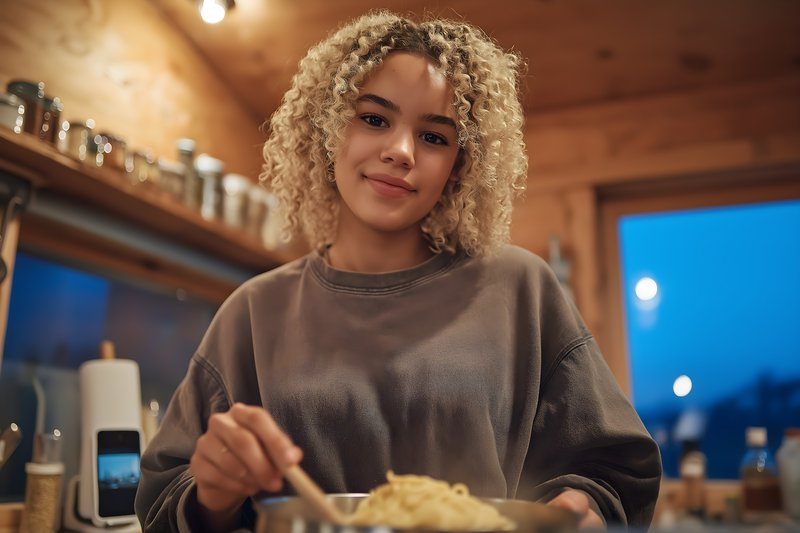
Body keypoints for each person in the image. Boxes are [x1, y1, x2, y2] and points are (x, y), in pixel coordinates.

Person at [135, 10, 662, 532]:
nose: (401, 151)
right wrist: (214, 496)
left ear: (459, 165)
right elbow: (166, 496)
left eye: (434, 137)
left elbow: (610, 469)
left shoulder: (520, 289)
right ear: (326, 129)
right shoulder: (253, 312)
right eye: (374, 119)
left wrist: (584, 507)